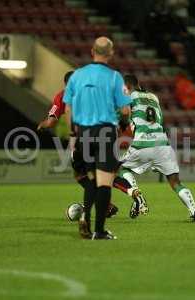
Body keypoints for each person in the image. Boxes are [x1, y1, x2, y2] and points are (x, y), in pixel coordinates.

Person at [64, 37, 132, 240]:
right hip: (105, 132)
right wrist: (122, 124)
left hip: (84, 133)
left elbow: (68, 108)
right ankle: (100, 230)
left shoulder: (77, 76)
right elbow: (126, 109)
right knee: (104, 183)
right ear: (110, 54)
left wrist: (73, 133)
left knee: (91, 180)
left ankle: (85, 217)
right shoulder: (114, 77)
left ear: (92, 50)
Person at [118, 74, 195, 222]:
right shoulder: (153, 97)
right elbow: (160, 120)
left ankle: (138, 197)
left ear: (127, 86)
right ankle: (194, 210)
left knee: (121, 169)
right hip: (162, 144)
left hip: (141, 144)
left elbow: (124, 113)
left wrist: (123, 123)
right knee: (175, 182)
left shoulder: (128, 95)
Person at [37, 71, 120, 218]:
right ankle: (115, 200)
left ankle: (100, 209)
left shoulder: (62, 96)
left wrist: (43, 124)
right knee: (102, 173)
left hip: (80, 138)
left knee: (81, 175)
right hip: (101, 135)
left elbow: (51, 121)